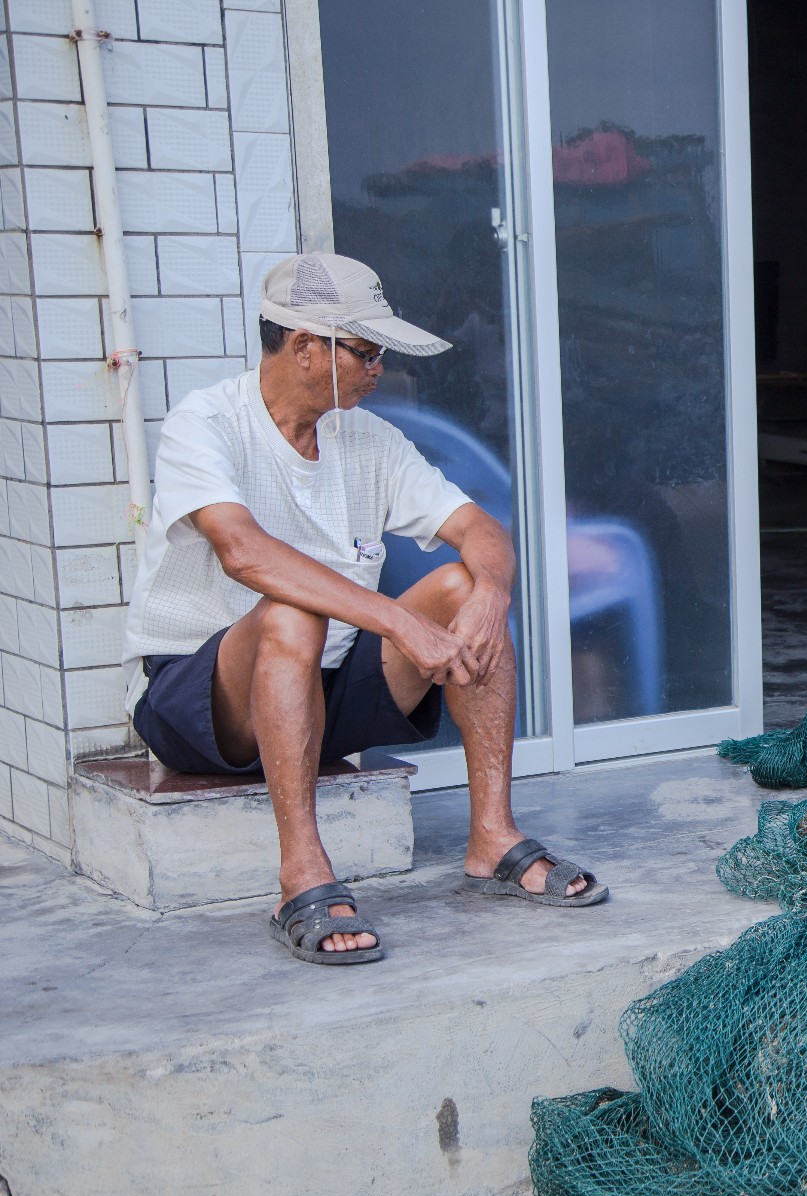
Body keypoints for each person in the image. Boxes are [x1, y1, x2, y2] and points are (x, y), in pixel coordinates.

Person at [120, 253, 608, 967]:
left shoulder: (367, 439)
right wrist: (398, 620)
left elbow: (482, 530)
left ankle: (493, 836)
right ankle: (301, 876)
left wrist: (491, 594)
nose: (379, 366)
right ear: (305, 346)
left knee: (463, 587)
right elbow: (243, 553)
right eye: (366, 350)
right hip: (201, 700)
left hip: (321, 685)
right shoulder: (208, 423)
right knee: (291, 612)